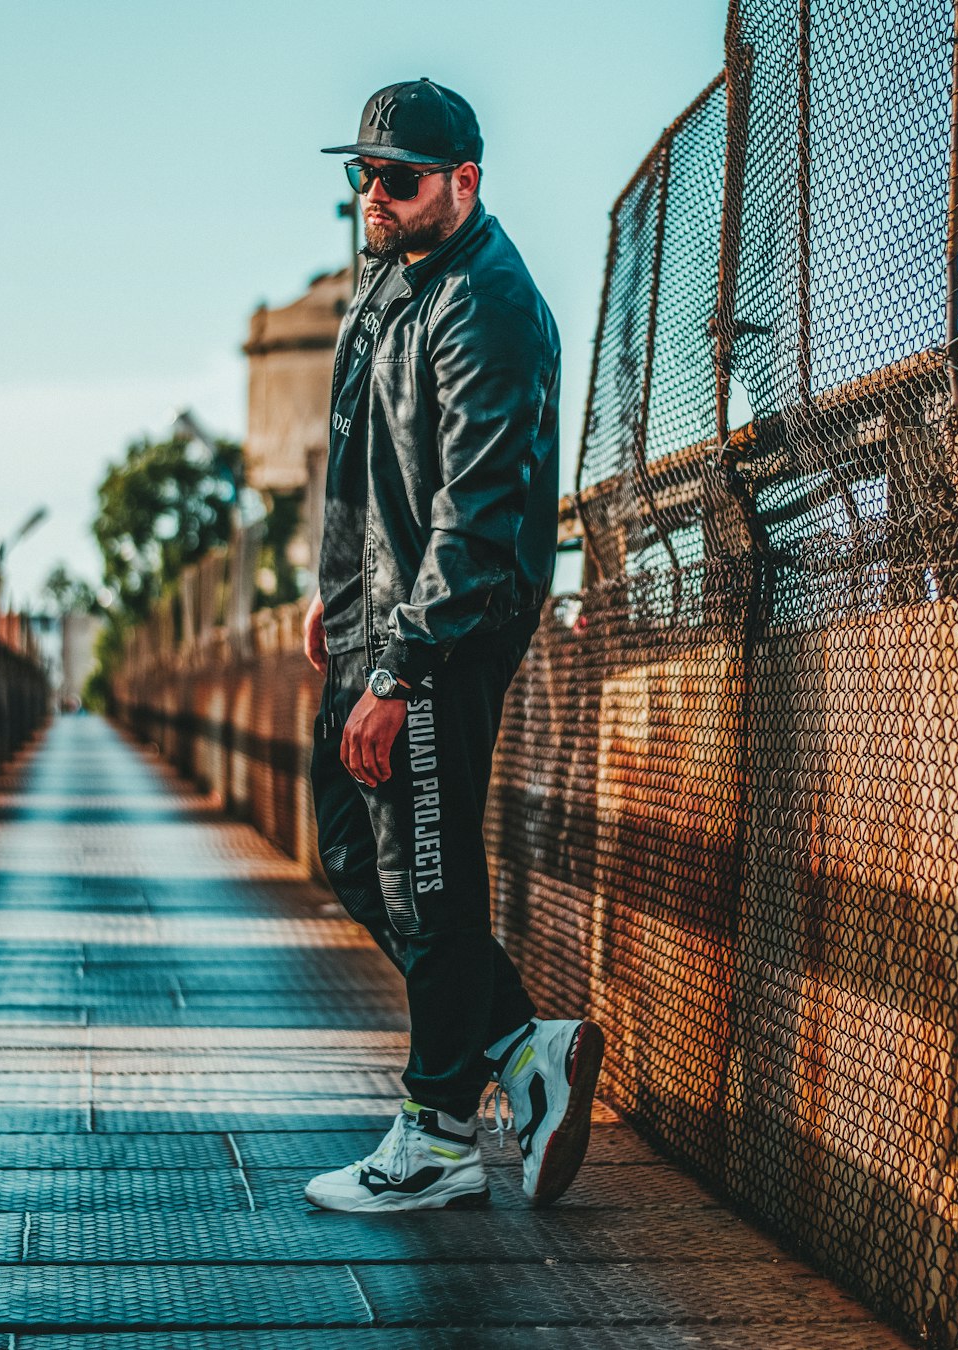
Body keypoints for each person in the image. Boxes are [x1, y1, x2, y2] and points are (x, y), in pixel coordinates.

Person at [302, 78, 603, 1212]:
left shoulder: (490, 304)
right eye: (363, 174)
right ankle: (526, 1048)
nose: (375, 196)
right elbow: (358, 459)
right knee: (350, 848)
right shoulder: (390, 277)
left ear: (463, 182)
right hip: (373, 616)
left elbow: (475, 516)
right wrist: (334, 596)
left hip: (442, 633)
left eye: (401, 178)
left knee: (425, 872)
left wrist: (399, 666)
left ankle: (435, 1136)